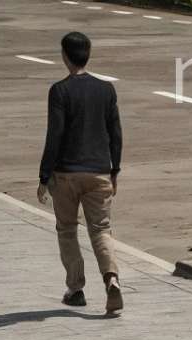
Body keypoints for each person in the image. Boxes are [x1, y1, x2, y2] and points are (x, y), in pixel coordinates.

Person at [37, 32, 124, 316]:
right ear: (88, 54)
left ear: (65, 56)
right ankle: (111, 279)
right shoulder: (106, 90)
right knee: (101, 230)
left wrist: (44, 176)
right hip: (99, 171)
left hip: (66, 174)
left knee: (67, 229)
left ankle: (75, 289)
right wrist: (114, 170)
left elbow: (55, 135)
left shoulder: (59, 91)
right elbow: (115, 134)